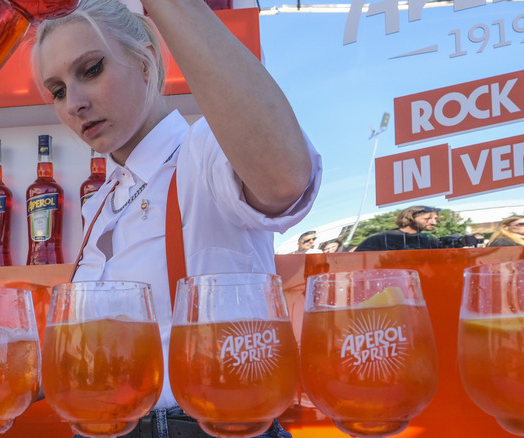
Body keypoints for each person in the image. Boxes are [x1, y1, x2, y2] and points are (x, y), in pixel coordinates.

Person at [31, 0, 322, 436]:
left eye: (91, 69)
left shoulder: (204, 153)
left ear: (146, 60)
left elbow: (284, 178)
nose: (74, 102)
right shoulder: (101, 203)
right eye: (56, 90)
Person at [355, 206, 441, 251]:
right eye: (427, 219)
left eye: (435, 219)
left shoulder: (430, 240)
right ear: (410, 217)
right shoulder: (381, 239)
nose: (434, 222)